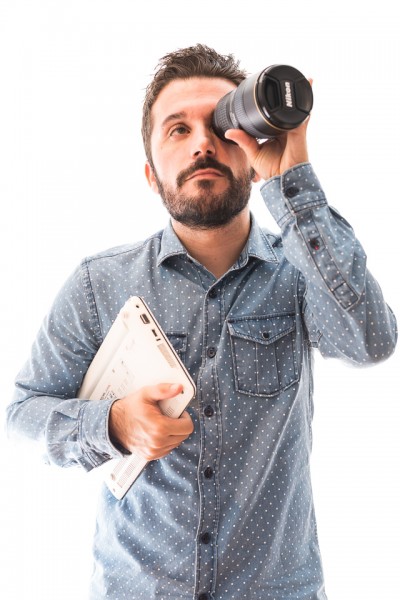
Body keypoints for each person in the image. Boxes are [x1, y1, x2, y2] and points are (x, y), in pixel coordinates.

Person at [7, 44, 397, 600]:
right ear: (150, 173)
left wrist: (294, 182)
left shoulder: (300, 270)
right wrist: (112, 426)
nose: (203, 144)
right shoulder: (98, 284)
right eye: (177, 130)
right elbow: (23, 414)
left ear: (250, 140)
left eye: (219, 124)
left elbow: (371, 341)